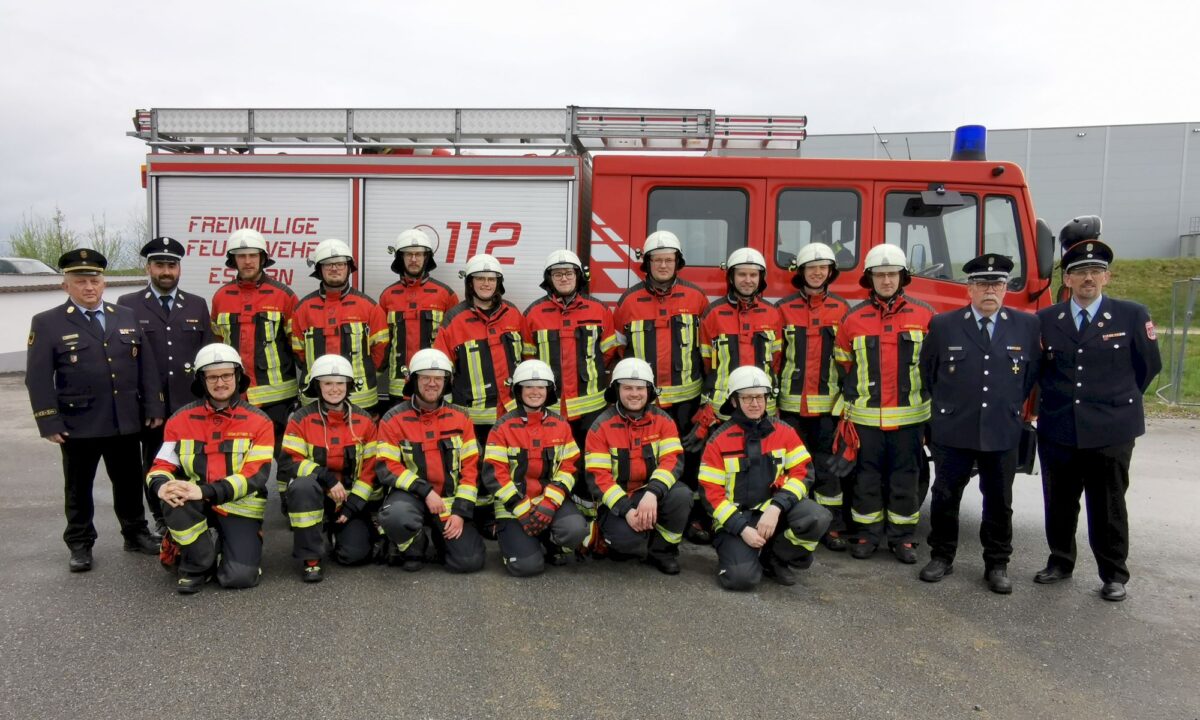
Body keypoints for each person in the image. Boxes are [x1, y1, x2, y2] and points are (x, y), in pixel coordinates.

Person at [1034, 217, 1161, 602]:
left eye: (1096, 271)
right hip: (1059, 426)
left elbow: (1148, 366)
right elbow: (1038, 371)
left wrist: (1114, 402)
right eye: (1079, 272)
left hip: (1111, 429)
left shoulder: (1132, 316)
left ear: (1107, 277)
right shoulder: (1046, 320)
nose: (1088, 277)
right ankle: (1060, 561)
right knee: (1059, 500)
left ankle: (1113, 573)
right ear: (1067, 279)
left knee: (1108, 504)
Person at [25, 248, 164, 572]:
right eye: (81, 281)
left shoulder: (125, 315)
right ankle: (80, 543)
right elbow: (38, 377)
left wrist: (153, 405)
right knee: (78, 487)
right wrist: (48, 421)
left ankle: (135, 533)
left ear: (104, 284)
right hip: (79, 422)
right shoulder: (48, 323)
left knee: (129, 482)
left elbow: (147, 366)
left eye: (95, 280)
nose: (89, 287)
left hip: (124, 419)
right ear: (66, 286)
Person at [917, 254, 1040, 594]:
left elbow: (1030, 376)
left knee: (999, 500)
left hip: (1001, 429)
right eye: (983, 284)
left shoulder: (1026, 326)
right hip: (954, 429)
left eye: (997, 284)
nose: (991, 290)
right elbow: (929, 373)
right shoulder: (944, 325)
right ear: (969, 289)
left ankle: (997, 564)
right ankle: (941, 556)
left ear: (1005, 289)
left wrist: (1010, 407)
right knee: (945, 496)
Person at [834, 244, 934, 563]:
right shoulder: (852, 319)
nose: (887, 280)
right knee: (866, 478)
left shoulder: (924, 315)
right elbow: (844, 365)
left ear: (903, 277)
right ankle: (866, 535)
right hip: (865, 419)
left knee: (905, 476)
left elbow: (933, 366)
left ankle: (903, 539)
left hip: (909, 419)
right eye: (880, 275)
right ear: (870, 279)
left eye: (892, 274)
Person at [146, 344, 274, 594]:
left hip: (238, 506)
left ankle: (228, 545)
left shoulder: (260, 422)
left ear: (238, 377)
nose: (220, 383)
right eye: (212, 376)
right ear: (201, 380)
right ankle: (196, 565)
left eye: (226, 375)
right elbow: (161, 466)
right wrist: (162, 487)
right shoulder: (179, 420)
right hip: (194, 505)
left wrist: (205, 491)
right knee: (173, 498)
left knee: (239, 578)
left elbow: (255, 476)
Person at [613, 230, 710, 543]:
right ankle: (645, 509)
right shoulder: (628, 301)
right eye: (658, 260)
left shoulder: (697, 298)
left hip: (686, 398)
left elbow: (706, 351)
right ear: (647, 264)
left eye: (669, 260)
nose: (664, 265)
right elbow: (618, 351)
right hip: (643, 399)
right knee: (643, 456)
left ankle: (689, 517)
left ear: (678, 263)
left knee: (689, 458)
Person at [698, 366, 832, 590]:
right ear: (734, 401)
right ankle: (745, 555)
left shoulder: (784, 432)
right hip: (736, 519)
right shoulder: (718, 441)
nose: (755, 403)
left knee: (817, 517)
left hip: (775, 513)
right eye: (748, 397)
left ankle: (776, 557)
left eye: (760, 396)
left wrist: (777, 507)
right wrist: (741, 528)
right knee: (741, 580)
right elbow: (711, 496)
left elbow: (803, 473)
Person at [118, 236, 213, 538]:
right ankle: (161, 516)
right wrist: (151, 405)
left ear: (179, 269)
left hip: (190, 404)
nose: (166, 271)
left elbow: (206, 355)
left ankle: (193, 510)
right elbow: (126, 362)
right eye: (160, 264)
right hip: (151, 407)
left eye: (171, 265)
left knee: (194, 459)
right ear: (148, 268)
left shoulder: (197, 304)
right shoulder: (128, 305)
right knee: (157, 463)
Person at [524, 249, 619, 544]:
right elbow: (528, 360)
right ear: (548, 279)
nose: (563, 278)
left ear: (578, 277)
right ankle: (553, 515)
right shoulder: (533, 313)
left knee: (590, 467)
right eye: (557, 273)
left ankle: (591, 528)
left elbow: (609, 354)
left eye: (569, 273)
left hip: (590, 407)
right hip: (550, 408)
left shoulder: (599, 310)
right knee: (551, 463)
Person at [433, 253, 526, 535]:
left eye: (491, 279)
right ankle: (481, 517)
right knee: (477, 465)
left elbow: (528, 358)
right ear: (470, 284)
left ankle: (502, 516)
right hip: (471, 413)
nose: (486, 284)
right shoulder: (454, 319)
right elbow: (442, 366)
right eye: (480, 279)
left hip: (508, 410)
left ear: (499, 283)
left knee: (508, 464)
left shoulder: (513, 315)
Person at [375, 348, 485, 574]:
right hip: (411, 498)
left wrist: (461, 512)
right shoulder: (393, 419)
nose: (432, 384)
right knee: (396, 516)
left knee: (468, 562)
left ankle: (441, 537)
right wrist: (424, 491)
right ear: (413, 380)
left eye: (438, 378)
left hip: (449, 503)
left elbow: (471, 469)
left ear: (447, 382)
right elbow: (387, 467)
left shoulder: (461, 418)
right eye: (425, 377)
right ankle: (415, 545)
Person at [584, 358, 692, 574]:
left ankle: (662, 551)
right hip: (619, 500)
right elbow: (599, 478)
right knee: (625, 543)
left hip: (653, 494)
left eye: (640, 388)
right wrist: (626, 510)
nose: (634, 394)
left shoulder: (663, 421)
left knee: (682, 496)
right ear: (617, 390)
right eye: (627, 388)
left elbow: (673, 461)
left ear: (649, 390)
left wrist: (652, 493)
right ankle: (620, 537)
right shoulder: (600, 427)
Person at [777, 242, 852, 551]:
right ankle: (800, 521)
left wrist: (845, 403)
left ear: (830, 272)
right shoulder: (783, 309)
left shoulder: (843, 309)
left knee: (827, 470)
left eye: (823, 267)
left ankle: (831, 526)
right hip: (791, 406)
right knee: (793, 469)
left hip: (827, 408)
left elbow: (848, 361)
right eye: (812, 267)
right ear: (801, 272)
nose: (818, 272)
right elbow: (776, 357)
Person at [278, 354, 379, 583]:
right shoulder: (301, 419)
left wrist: (352, 507)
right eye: (328, 383)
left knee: (354, 555)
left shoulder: (364, 421)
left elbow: (371, 469)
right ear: (317, 386)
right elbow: (288, 462)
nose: (335, 389)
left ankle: (335, 530)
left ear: (349, 386)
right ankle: (311, 558)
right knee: (303, 487)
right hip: (313, 496)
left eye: (340, 383)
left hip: (348, 499)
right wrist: (325, 478)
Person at [481, 360, 587, 576]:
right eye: (529, 386)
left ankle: (549, 541)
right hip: (513, 507)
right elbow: (495, 475)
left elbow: (570, 467)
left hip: (550, 504)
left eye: (541, 386)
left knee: (576, 530)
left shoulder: (561, 425)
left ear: (549, 391)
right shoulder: (502, 428)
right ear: (518, 390)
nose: (535, 392)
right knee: (526, 567)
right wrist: (520, 508)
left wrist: (550, 503)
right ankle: (518, 541)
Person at [209, 228, 299, 455]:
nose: (247, 261)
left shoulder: (283, 295)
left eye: (253, 255)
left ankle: (287, 491)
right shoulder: (221, 297)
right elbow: (218, 345)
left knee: (284, 461)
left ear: (262, 258)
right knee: (236, 456)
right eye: (241, 256)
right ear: (233, 260)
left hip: (277, 399)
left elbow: (298, 346)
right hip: (234, 395)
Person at [291, 238, 388, 413]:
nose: (334, 268)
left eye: (340, 264)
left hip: (361, 398)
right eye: (328, 264)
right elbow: (299, 355)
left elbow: (381, 351)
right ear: (319, 269)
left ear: (349, 268)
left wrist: (365, 373)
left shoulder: (369, 307)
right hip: (315, 398)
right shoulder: (303, 309)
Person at [378, 228, 458, 413]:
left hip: (435, 382)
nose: (414, 259)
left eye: (419, 254)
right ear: (400, 258)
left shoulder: (445, 295)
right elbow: (381, 345)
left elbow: (454, 342)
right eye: (409, 254)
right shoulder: (388, 296)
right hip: (398, 385)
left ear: (427, 257)